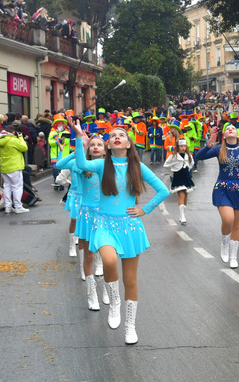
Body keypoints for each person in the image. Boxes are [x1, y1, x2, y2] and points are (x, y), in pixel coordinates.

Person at [73, 123, 170, 344]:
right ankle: (114, 302)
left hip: (129, 227)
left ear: (128, 144)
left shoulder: (137, 167)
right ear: (108, 145)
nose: (117, 137)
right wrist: (79, 138)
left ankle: (130, 326)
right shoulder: (101, 165)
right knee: (108, 260)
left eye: (122, 135)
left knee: (130, 280)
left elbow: (163, 190)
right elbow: (81, 163)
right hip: (104, 224)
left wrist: (145, 209)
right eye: (113, 135)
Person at [57, 134, 109, 310]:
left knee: (108, 254)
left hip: (104, 214)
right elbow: (60, 165)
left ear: (105, 149)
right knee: (89, 254)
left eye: (99, 144)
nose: (95, 147)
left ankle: (107, 288)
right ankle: (91, 293)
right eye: (92, 145)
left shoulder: (110, 167)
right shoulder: (81, 166)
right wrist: (77, 148)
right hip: (86, 212)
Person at [196, 124, 239, 268]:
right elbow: (199, 157)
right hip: (222, 187)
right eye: (227, 128)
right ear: (224, 135)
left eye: (233, 128)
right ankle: (224, 241)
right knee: (228, 219)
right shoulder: (219, 149)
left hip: (238, 188)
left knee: (236, 225)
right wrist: (207, 146)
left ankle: (233, 256)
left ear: (237, 134)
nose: (230, 129)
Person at [0, 127, 30, 214]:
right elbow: (24, 148)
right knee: (17, 187)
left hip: (4, 166)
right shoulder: (13, 140)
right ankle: (18, 206)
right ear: (13, 132)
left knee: (7, 186)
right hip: (14, 166)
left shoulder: (0, 140)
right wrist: (21, 138)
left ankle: (8, 206)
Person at [164, 139, 195, 225]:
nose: (183, 148)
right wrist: (173, 168)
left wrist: (188, 166)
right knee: (181, 194)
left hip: (186, 177)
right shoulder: (173, 156)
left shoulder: (188, 155)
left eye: (184, 146)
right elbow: (166, 164)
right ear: (177, 147)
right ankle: (182, 215)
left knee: (185, 195)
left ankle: (182, 213)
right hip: (178, 177)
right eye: (181, 146)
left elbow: (192, 163)